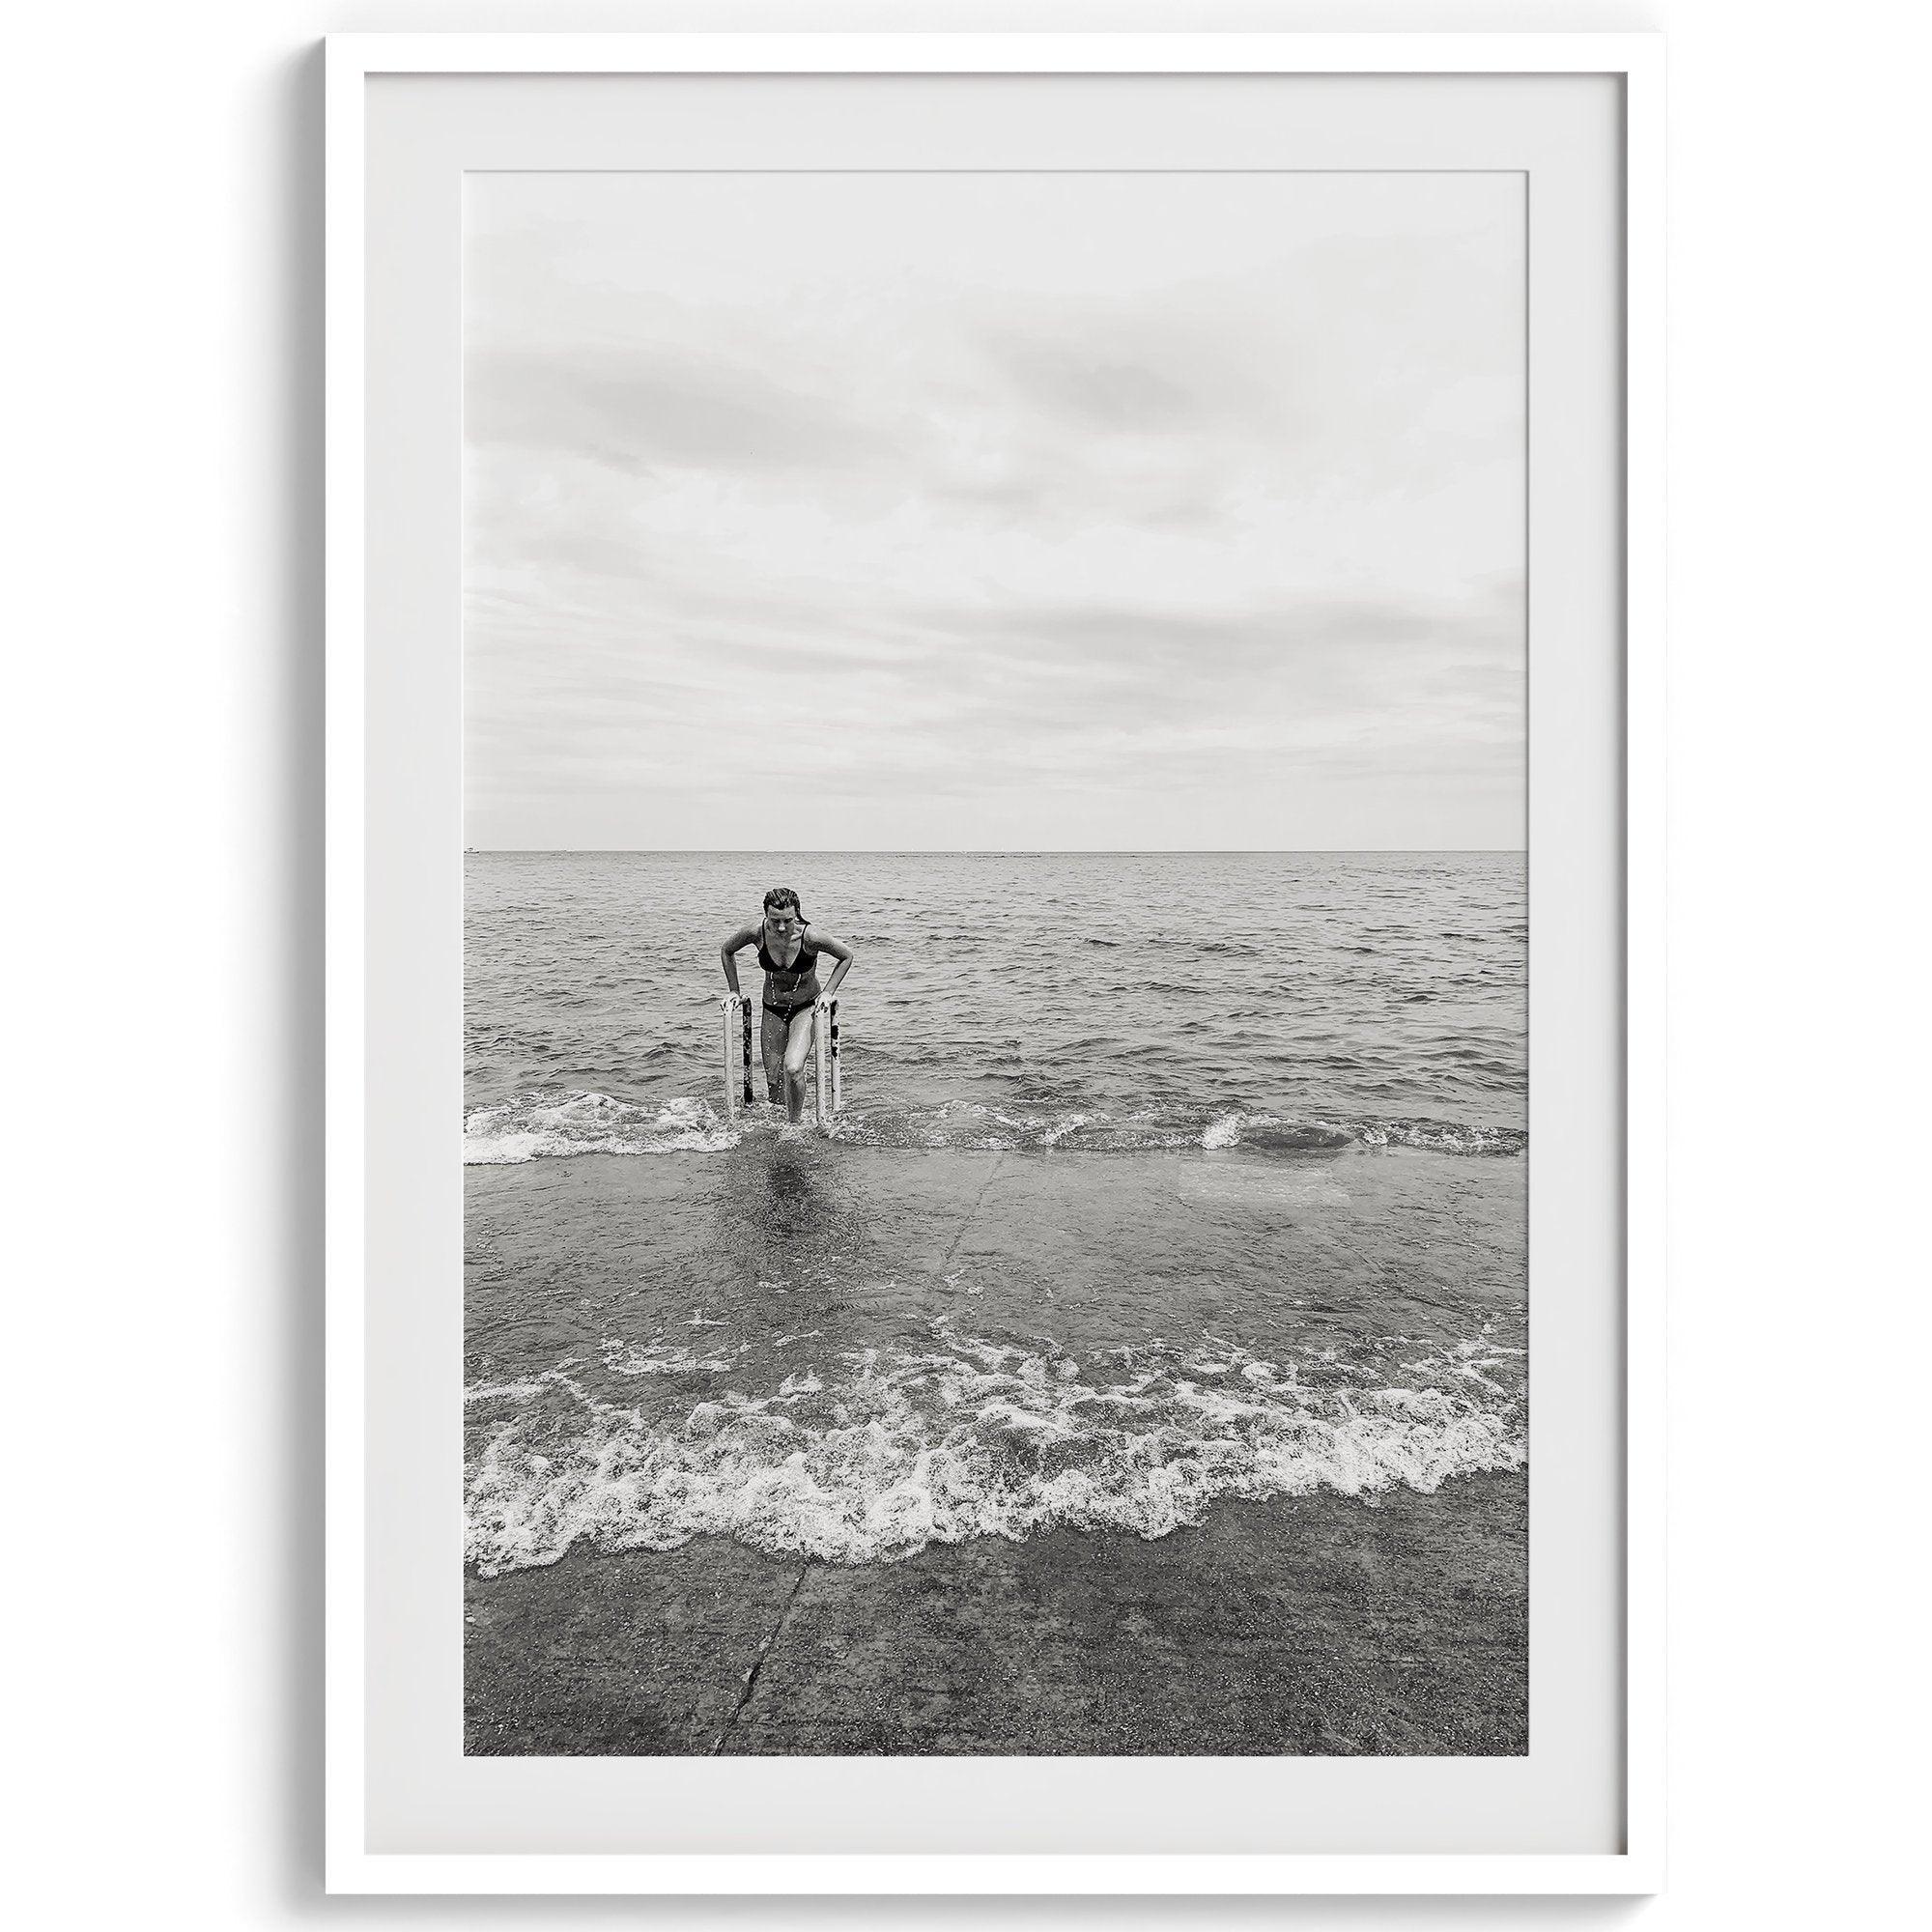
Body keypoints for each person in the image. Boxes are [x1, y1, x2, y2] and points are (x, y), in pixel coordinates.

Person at [720, 888, 854, 1123]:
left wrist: (827, 992)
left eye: (788, 920)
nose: (781, 927)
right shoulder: (756, 933)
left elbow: (846, 956)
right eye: (775, 921)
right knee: (773, 1078)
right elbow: (727, 950)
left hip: (805, 1008)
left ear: (797, 915)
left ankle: (794, 1123)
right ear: (766, 915)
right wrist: (734, 990)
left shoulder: (811, 937)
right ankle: (779, 1126)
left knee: (792, 1068)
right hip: (772, 1009)